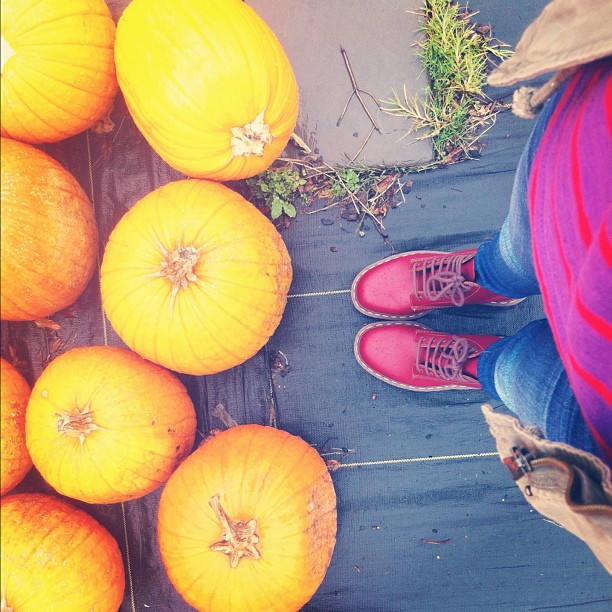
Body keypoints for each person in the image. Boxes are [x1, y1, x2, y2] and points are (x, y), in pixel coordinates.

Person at [351, 0, 612, 572]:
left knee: (521, 371)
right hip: (589, 154)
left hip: (602, 422)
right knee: (528, 240)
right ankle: (487, 279)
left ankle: (477, 363)